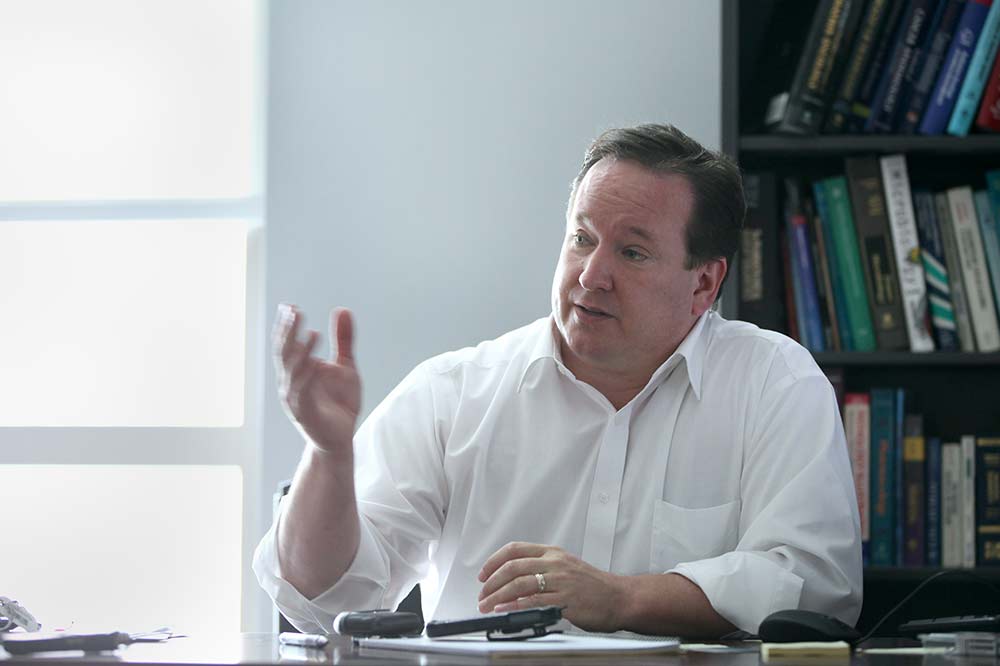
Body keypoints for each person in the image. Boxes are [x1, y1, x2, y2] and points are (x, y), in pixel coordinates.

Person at [253, 123, 862, 638]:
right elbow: (323, 599)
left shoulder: (773, 383)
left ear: (703, 284)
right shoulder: (453, 392)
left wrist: (623, 600)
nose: (591, 276)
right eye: (582, 239)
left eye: (632, 253)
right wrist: (328, 454)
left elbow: (812, 591)